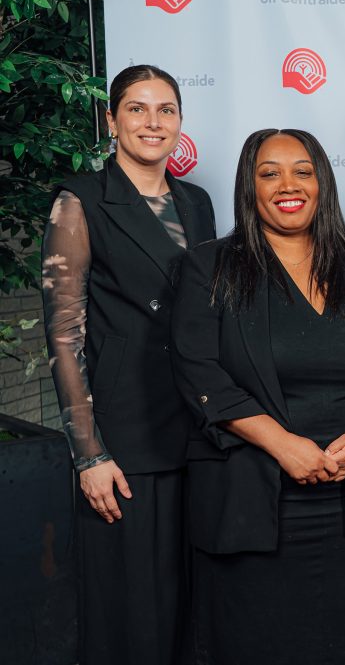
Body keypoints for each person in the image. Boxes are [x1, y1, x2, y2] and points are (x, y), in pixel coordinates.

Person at [170, 128, 345, 664]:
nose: (289, 185)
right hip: (250, 502)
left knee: (341, 649)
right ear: (249, 186)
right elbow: (199, 374)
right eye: (269, 172)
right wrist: (283, 445)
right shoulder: (209, 267)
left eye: (303, 171)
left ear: (321, 182)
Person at [41, 64, 216, 665]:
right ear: (112, 120)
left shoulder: (197, 202)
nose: (153, 121)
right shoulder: (82, 200)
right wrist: (89, 453)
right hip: (124, 438)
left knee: (189, 611)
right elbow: (65, 335)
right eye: (137, 109)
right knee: (130, 614)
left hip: (198, 430)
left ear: (179, 123)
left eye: (166, 109)